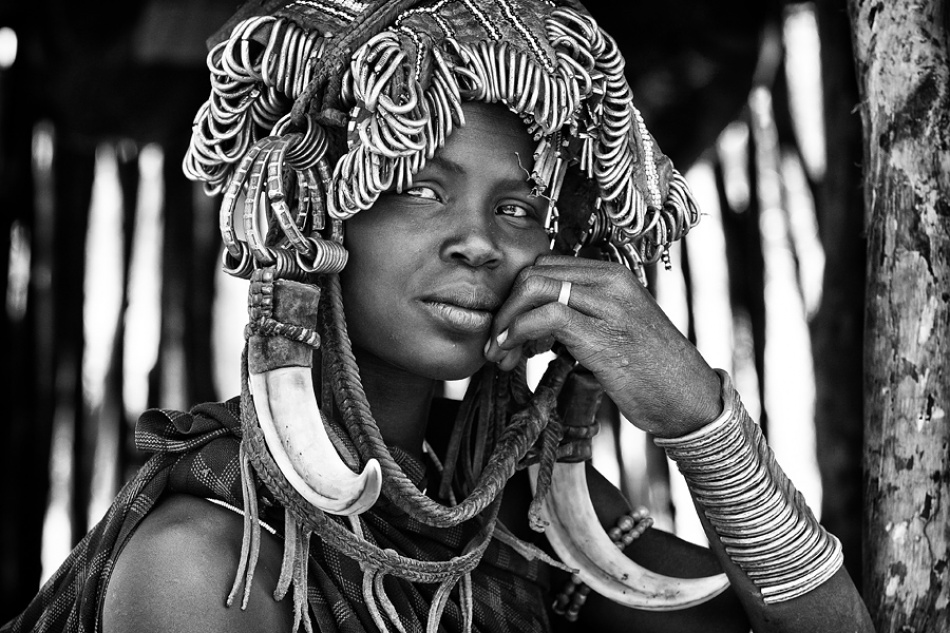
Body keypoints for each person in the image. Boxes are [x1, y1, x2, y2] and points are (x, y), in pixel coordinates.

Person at [3, 1, 874, 632]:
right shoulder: (203, 567)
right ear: (315, 218)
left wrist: (696, 413)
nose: (482, 243)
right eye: (422, 189)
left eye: (519, 209)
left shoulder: (511, 516)